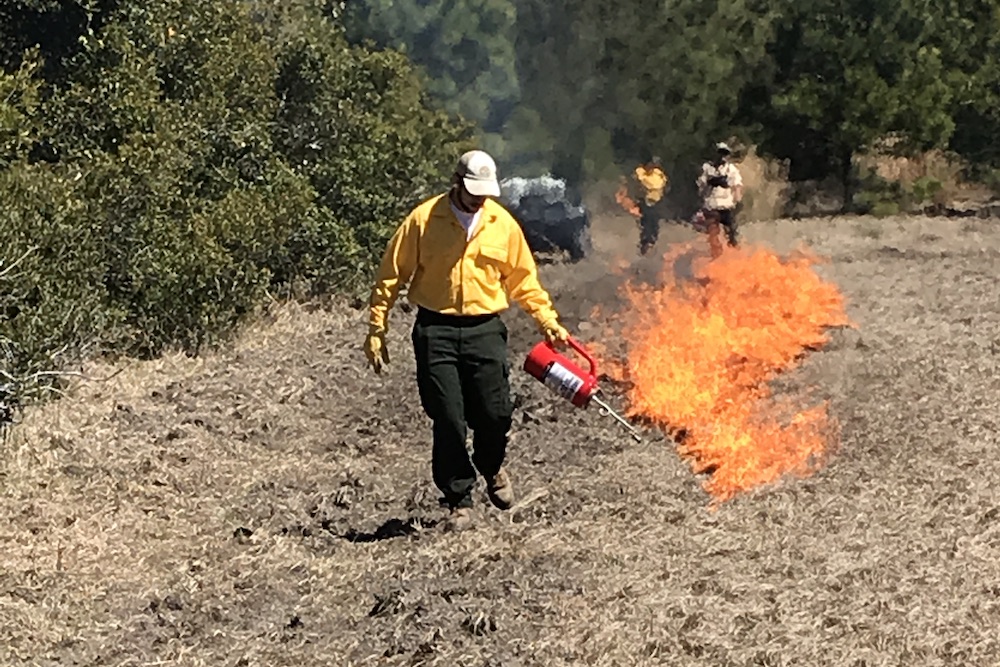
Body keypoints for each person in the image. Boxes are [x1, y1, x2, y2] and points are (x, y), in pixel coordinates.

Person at [364, 149, 570, 531]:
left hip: (484, 330)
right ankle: (459, 498)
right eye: (473, 191)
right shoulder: (423, 221)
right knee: (447, 418)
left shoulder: (502, 225)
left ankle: (491, 466)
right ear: (456, 182)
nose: (479, 200)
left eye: (484, 193)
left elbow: (523, 280)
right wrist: (377, 326)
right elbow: (391, 275)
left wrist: (547, 320)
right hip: (435, 330)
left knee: (496, 413)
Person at [696, 142, 744, 254]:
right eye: (720, 153)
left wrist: (738, 200)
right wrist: (709, 182)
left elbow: (737, 184)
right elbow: (700, 186)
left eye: (724, 154)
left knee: (731, 232)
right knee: (713, 233)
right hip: (711, 206)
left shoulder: (730, 169)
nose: (722, 156)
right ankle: (716, 256)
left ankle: (734, 253)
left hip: (726, 205)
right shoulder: (707, 168)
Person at [632, 155, 670, 255]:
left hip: (656, 203)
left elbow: (658, 184)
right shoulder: (642, 173)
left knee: (653, 225)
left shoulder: (657, 175)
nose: (652, 166)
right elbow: (644, 183)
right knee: (647, 225)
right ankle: (645, 244)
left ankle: (650, 243)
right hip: (645, 203)